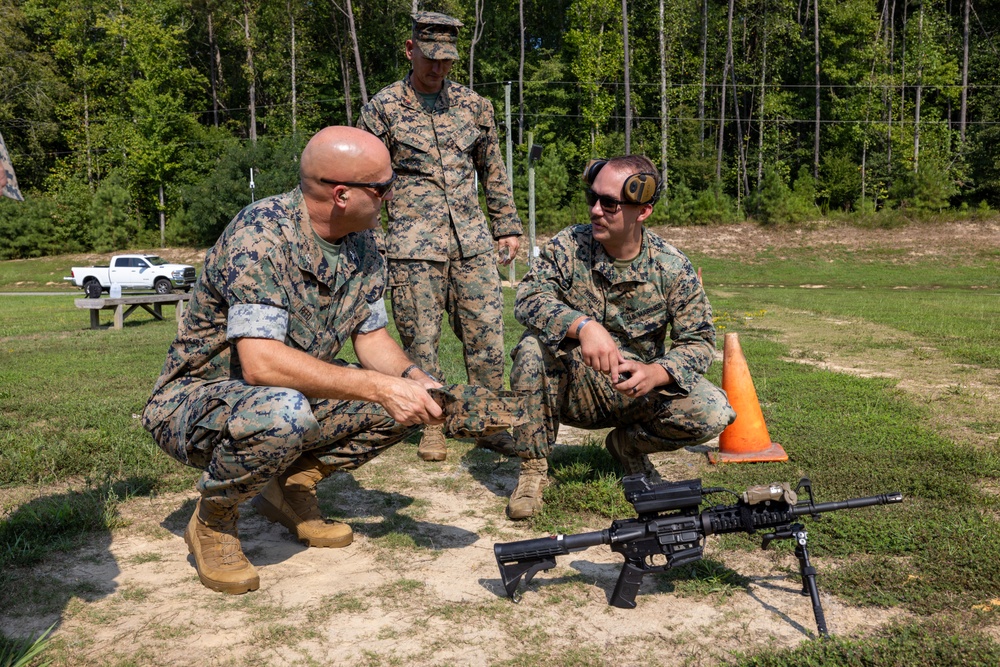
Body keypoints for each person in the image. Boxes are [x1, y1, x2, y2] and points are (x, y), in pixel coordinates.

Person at [142, 126, 445, 594]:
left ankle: (289, 486)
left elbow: (372, 338)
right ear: (342, 195)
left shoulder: (364, 246)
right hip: (197, 402)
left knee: (405, 401)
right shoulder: (261, 235)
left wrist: (411, 379)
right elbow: (262, 365)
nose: (391, 195)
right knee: (285, 412)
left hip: (288, 397)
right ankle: (214, 520)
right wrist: (379, 387)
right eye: (383, 187)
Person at [503, 155, 736, 519]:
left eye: (609, 203)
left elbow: (699, 340)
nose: (596, 210)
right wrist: (583, 326)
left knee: (714, 411)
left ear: (642, 212)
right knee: (532, 349)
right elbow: (528, 298)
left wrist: (658, 374)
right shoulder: (569, 246)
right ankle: (533, 470)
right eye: (592, 198)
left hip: (636, 392)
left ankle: (627, 446)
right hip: (575, 389)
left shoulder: (671, 267)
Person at [357, 12, 522, 463]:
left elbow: (493, 170)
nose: (438, 68)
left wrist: (506, 225)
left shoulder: (474, 107)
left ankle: (488, 423)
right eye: (430, 58)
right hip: (412, 249)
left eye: (447, 60)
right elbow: (367, 179)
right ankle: (431, 423)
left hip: (472, 242)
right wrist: (368, 235)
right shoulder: (383, 108)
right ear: (411, 50)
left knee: (486, 337)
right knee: (420, 340)